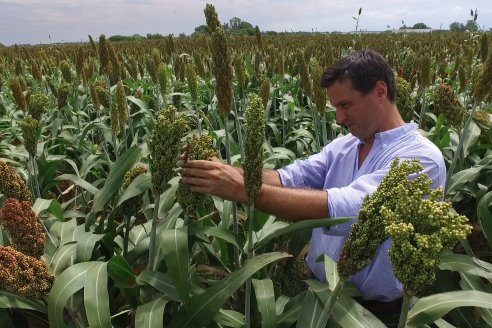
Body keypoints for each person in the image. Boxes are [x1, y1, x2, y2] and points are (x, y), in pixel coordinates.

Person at [181, 50, 445, 325]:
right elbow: (290, 177)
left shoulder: (421, 159)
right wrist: (220, 170)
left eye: (346, 105)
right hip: (318, 292)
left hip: (373, 313)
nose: (339, 118)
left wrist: (244, 190)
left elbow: (352, 210)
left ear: (380, 91)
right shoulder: (346, 146)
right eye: (336, 108)